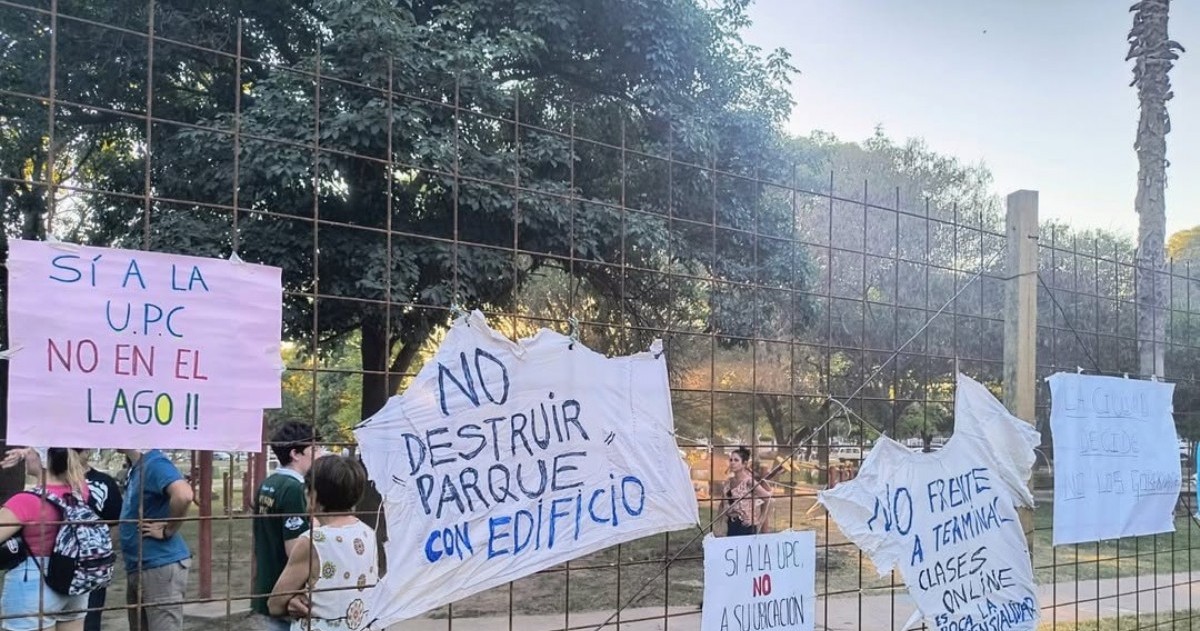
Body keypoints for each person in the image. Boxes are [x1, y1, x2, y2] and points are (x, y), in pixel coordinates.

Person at [269, 455, 377, 631]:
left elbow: (275, 604)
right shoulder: (367, 533)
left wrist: (292, 599)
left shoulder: (313, 541)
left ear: (313, 494)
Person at [0, 447, 92, 631]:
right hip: (75, 579)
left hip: (34, 583)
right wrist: (28, 452)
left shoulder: (24, 502)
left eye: (32, 451)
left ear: (42, 460)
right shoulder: (80, 491)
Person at [251, 422, 320, 631]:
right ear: (295, 454)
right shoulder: (294, 489)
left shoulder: (268, 482)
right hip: (286, 593)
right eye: (314, 449)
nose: (319, 454)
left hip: (267, 583)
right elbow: (296, 549)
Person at [120, 449, 194, 631]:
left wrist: (169, 529)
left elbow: (184, 495)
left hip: (159, 564)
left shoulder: (155, 463)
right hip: (141, 564)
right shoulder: (137, 467)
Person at [73, 449, 123, 631]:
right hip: (57, 564)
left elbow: (115, 522)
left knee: (90, 619)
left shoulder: (105, 482)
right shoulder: (52, 480)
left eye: (82, 446)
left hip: (92, 566)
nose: (79, 451)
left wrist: (100, 555)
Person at [721, 447, 771, 536]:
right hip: (731, 523)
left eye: (736, 460)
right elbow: (722, 503)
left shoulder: (749, 482)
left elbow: (767, 497)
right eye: (731, 460)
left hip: (746, 526)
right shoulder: (728, 482)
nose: (732, 463)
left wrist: (761, 519)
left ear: (744, 464)